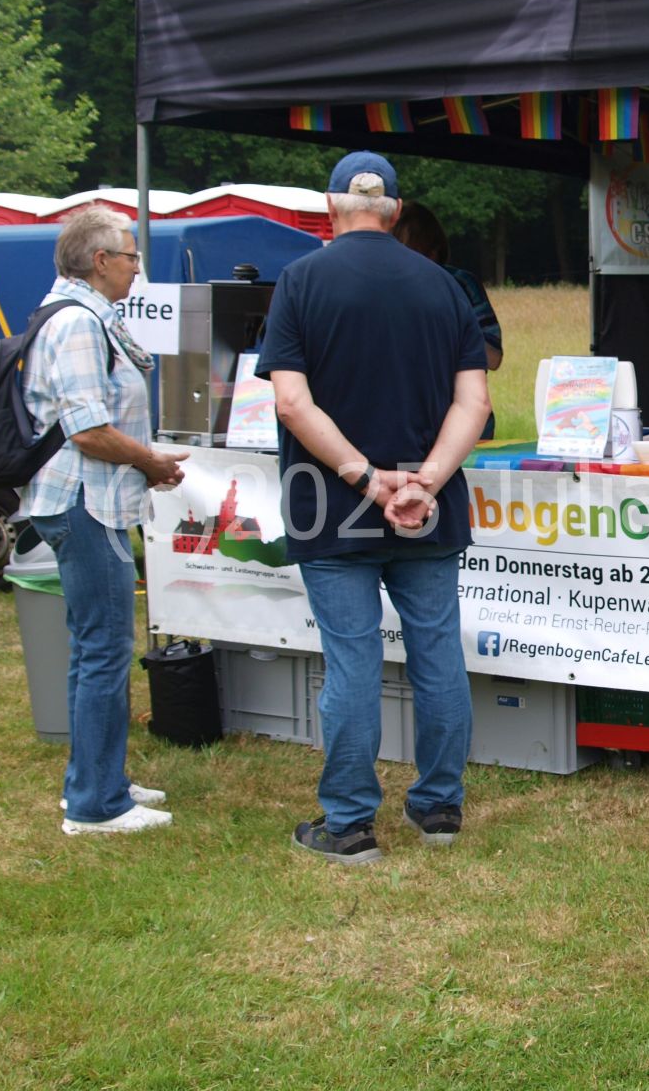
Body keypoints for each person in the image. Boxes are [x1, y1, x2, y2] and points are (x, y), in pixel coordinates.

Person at [257, 152, 490, 865]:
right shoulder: (444, 284)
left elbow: (291, 402)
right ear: (395, 211)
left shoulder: (300, 280)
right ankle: (439, 807)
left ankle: (350, 824)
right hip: (427, 504)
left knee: (353, 661)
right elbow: (474, 402)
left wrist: (365, 479)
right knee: (437, 653)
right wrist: (424, 481)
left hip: (330, 502)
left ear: (331, 206)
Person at [22, 207, 188, 835]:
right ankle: (96, 805)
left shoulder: (86, 316)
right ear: (99, 261)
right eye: (130, 256)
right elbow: (88, 430)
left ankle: (98, 778)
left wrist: (144, 465)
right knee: (104, 651)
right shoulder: (77, 324)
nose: (137, 268)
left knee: (94, 648)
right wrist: (150, 462)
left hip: (91, 501)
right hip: (85, 503)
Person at [392, 200, 504, 440]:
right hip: (404, 430)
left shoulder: (462, 284)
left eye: (411, 250)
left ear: (434, 251)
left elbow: (494, 357)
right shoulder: (381, 287)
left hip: (468, 430)